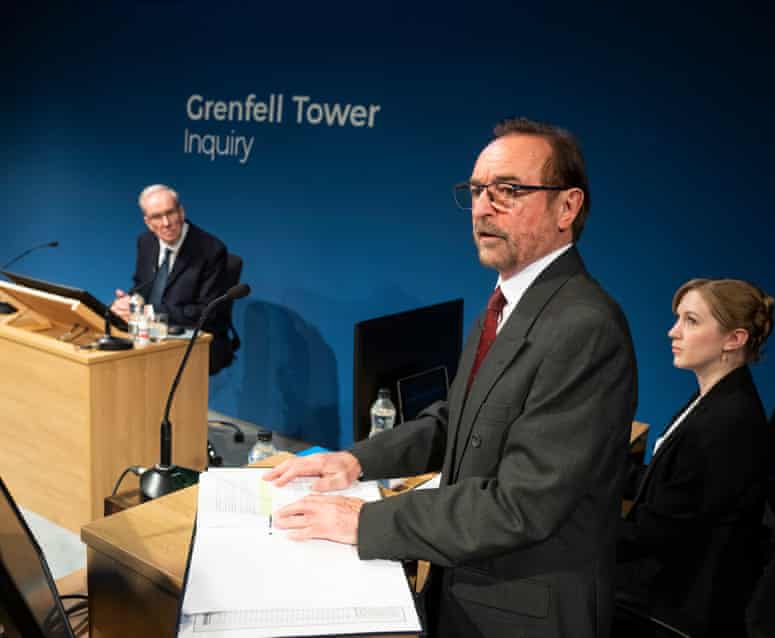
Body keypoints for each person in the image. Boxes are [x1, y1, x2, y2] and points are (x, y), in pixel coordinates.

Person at [264, 117, 638, 638]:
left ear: (567, 207)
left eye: (508, 190)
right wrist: (355, 460)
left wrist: (363, 522)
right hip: (465, 588)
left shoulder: (585, 326)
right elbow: (453, 421)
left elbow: (520, 505)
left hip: (523, 612)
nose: (483, 207)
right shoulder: (507, 303)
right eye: (478, 190)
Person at [614, 278, 775, 637]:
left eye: (691, 321)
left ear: (734, 339)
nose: (673, 332)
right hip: (681, 570)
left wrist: (568, 530)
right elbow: (670, 485)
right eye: (678, 319)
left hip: (676, 600)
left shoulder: (726, 425)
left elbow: (654, 535)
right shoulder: (716, 399)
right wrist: (605, 470)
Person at [111, 184, 235, 374]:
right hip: (151, 334)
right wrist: (129, 303)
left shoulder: (211, 251)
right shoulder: (146, 242)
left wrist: (148, 311)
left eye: (170, 213)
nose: (166, 223)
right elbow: (142, 287)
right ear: (148, 222)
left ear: (181, 212)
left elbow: (207, 314)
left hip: (194, 341)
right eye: (156, 217)